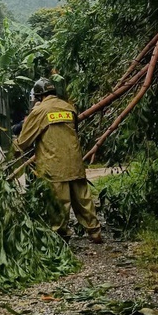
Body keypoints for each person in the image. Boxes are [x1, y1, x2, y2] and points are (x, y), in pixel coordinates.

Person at [16, 78, 103, 244]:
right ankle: (94, 231)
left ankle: (61, 236)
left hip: (53, 164)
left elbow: (24, 141)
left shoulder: (39, 111)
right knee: (83, 199)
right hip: (75, 162)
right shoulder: (68, 107)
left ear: (38, 95)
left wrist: (14, 151)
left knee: (60, 202)